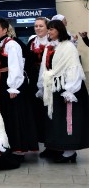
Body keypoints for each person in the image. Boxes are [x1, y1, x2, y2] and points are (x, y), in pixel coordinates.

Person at [38, 19, 89, 163]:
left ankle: (69, 152)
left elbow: (74, 67)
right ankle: (55, 147)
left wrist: (70, 90)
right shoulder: (49, 46)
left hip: (67, 86)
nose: (49, 32)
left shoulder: (68, 46)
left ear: (59, 30)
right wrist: (41, 86)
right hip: (53, 87)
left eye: (51, 29)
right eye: (48, 29)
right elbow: (44, 68)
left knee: (68, 119)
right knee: (55, 119)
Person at [0, 18, 38, 153]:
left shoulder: (12, 44)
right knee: (5, 113)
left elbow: (16, 66)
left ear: (5, 30)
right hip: (1, 80)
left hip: (10, 82)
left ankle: (18, 147)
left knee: (14, 114)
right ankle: (5, 145)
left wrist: (13, 86)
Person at [26, 17, 51, 154]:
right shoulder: (32, 42)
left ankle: (53, 144)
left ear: (47, 27)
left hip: (49, 79)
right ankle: (43, 142)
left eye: (41, 26)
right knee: (38, 112)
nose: (38, 28)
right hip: (34, 81)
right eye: (36, 26)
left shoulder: (52, 41)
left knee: (50, 112)